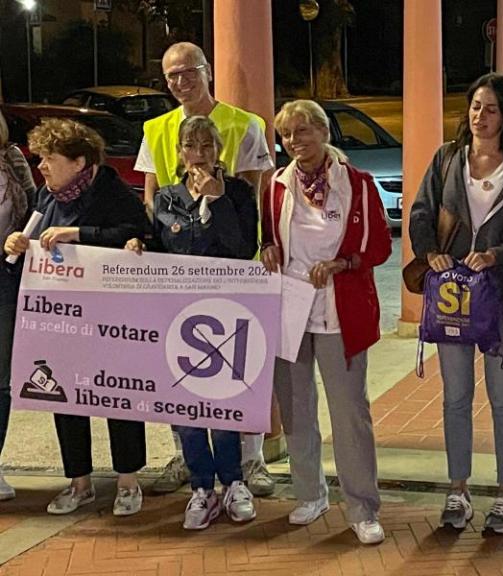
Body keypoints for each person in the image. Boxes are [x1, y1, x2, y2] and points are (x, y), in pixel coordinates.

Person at [409, 73, 503, 534]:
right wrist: (430, 249)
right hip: (453, 295)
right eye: (474, 106)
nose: (479, 116)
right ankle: (458, 489)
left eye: (490, 108)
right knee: (455, 397)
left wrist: (496, 255)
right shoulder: (448, 158)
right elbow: (422, 210)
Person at [136, 41, 276, 497]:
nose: (180, 81)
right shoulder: (155, 128)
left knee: (239, 367)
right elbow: (150, 197)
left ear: (207, 70)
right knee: (181, 366)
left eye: (188, 71)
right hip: (178, 273)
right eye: (171, 74)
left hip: (234, 270)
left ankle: (251, 462)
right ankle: (186, 454)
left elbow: (253, 199)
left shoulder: (245, 125)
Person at [3, 118, 148, 516]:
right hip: (62, 320)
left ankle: (128, 481)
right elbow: (31, 250)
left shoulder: (109, 188)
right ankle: (79, 481)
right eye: (39, 159)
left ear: (79, 161)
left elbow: (137, 232)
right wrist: (18, 243)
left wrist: (79, 234)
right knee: (64, 394)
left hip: (109, 318)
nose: (42, 167)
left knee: (118, 396)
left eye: (49, 158)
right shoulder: (47, 198)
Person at [262, 100, 391, 544]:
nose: (295, 142)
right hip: (290, 306)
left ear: (323, 131)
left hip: (342, 312)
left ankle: (361, 506)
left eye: (303, 131)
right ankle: (310, 494)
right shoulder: (276, 186)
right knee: (296, 408)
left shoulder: (356, 183)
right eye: (286, 135)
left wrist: (341, 263)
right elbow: (269, 237)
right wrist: (268, 249)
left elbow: (380, 249)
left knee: (350, 412)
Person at [125, 116, 258, 530]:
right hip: (177, 316)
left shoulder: (238, 192)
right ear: (180, 152)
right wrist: (138, 242)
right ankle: (202, 487)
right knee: (186, 406)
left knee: (221, 403)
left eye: (206, 146)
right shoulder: (165, 198)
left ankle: (234, 482)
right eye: (190, 147)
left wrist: (216, 202)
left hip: (225, 314)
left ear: (218, 149)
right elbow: (164, 244)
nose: (198, 155)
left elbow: (241, 248)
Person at [0, 110, 37, 501]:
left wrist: (20, 241)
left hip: (6, 278)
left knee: (0, 380)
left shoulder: (12, 159)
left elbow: (33, 217)